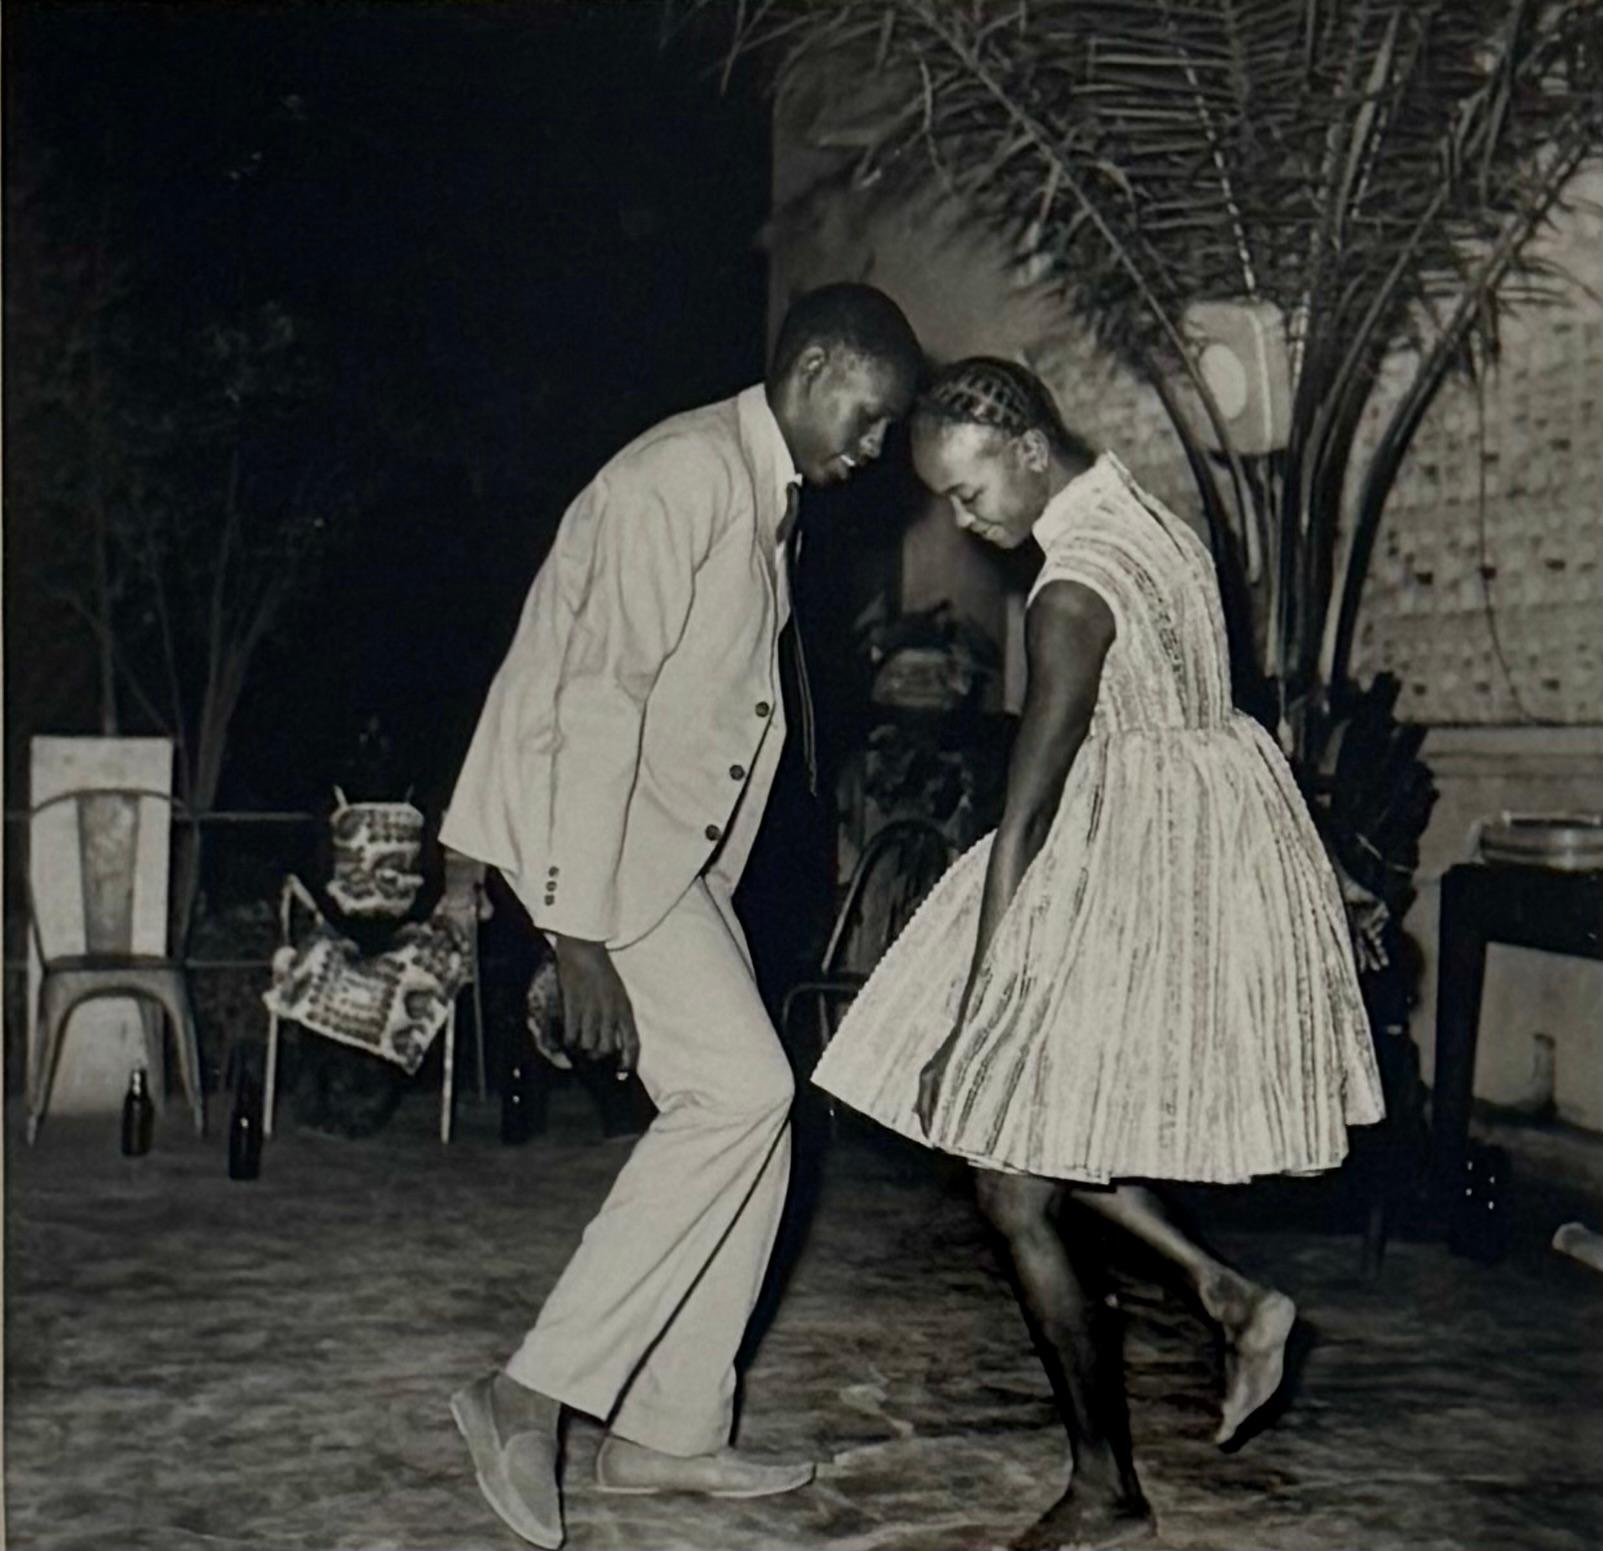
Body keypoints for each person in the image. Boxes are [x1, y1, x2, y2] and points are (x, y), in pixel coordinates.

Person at [813, 358, 1384, 1551]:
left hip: (1118, 873)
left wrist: (975, 1015)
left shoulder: (1068, 592)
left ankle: (1106, 1490)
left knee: (1011, 1174)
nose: (967, 521)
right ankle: (1222, 1295)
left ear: (1027, 448)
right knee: (1031, 1151)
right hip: (1199, 849)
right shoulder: (1149, 514)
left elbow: (1022, 818)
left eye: (969, 494)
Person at [440, 283, 921, 1549]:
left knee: (757, 1114)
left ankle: (668, 1437)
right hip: (603, 858)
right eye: (869, 420)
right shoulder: (684, 476)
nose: (872, 452)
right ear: (816, 369)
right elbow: (593, 700)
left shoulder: (754, 490)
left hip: (664, 859)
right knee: (746, 1098)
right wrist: (575, 933)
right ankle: (523, 1394)